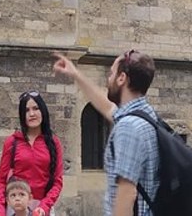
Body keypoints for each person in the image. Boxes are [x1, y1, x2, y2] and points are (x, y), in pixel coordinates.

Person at [52, 51, 159, 216]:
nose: (108, 80)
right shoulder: (145, 114)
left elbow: (127, 193)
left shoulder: (128, 127)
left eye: (111, 74)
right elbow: (108, 107)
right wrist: (76, 74)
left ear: (121, 78)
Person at [0, 90, 63, 216]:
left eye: (36, 108)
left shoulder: (53, 143)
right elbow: (0, 180)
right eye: (26, 110)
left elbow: (57, 182)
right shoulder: (12, 142)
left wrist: (44, 206)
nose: (32, 114)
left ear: (43, 111)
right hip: (15, 207)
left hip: (42, 209)